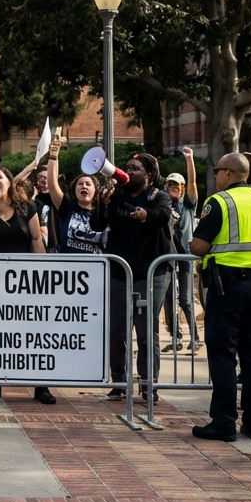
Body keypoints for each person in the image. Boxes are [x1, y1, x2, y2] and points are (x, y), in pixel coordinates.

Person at [188, 153, 251, 441]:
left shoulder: (220, 201)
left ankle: (223, 422)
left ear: (228, 173)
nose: (215, 175)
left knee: (223, 354)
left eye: (216, 170)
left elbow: (199, 246)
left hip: (228, 286)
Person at [92, 153, 173, 402]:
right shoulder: (116, 195)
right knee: (117, 330)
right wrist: (101, 203)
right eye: (127, 167)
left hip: (151, 273)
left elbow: (162, 215)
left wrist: (145, 215)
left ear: (148, 174)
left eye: (135, 168)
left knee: (146, 331)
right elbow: (97, 225)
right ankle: (119, 381)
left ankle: (149, 385)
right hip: (119, 272)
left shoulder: (158, 196)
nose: (129, 171)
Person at [0, 165, 51, 405]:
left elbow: (36, 239)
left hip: (24, 280)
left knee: (32, 333)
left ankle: (41, 386)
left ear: (9, 182)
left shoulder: (27, 207)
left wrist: (44, 273)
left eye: (0, 177)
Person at [160, 148, 199, 354]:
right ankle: (176, 338)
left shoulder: (188, 205)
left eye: (178, 185)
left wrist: (190, 159)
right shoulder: (163, 203)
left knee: (185, 299)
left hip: (184, 255)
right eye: (171, 184)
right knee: (168, 299)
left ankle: (195, 337)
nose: (174, 188)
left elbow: (193, 183)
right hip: (167, 257)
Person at [43, 142, 106, 256]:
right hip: (69, 270)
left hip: (96, 269)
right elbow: (52, 184)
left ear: (96, 190)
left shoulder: (103, 211)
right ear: (74, 190)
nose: (84, 186)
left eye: (88, 184)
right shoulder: (67, 208)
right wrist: (53, 156)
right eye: (80, 184)